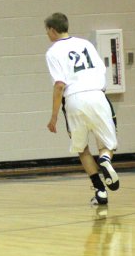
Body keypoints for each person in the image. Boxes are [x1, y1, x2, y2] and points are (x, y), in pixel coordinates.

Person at [44, 12, 120, 206]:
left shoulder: (53, 52)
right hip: (97, 94)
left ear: (52, 30)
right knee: (107, 144)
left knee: (82, 148)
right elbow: (101, 70)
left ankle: (100, 191)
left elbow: (59, 85)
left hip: (74, 99)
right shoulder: (86, 44)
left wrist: (54, 117)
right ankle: (105, 159)